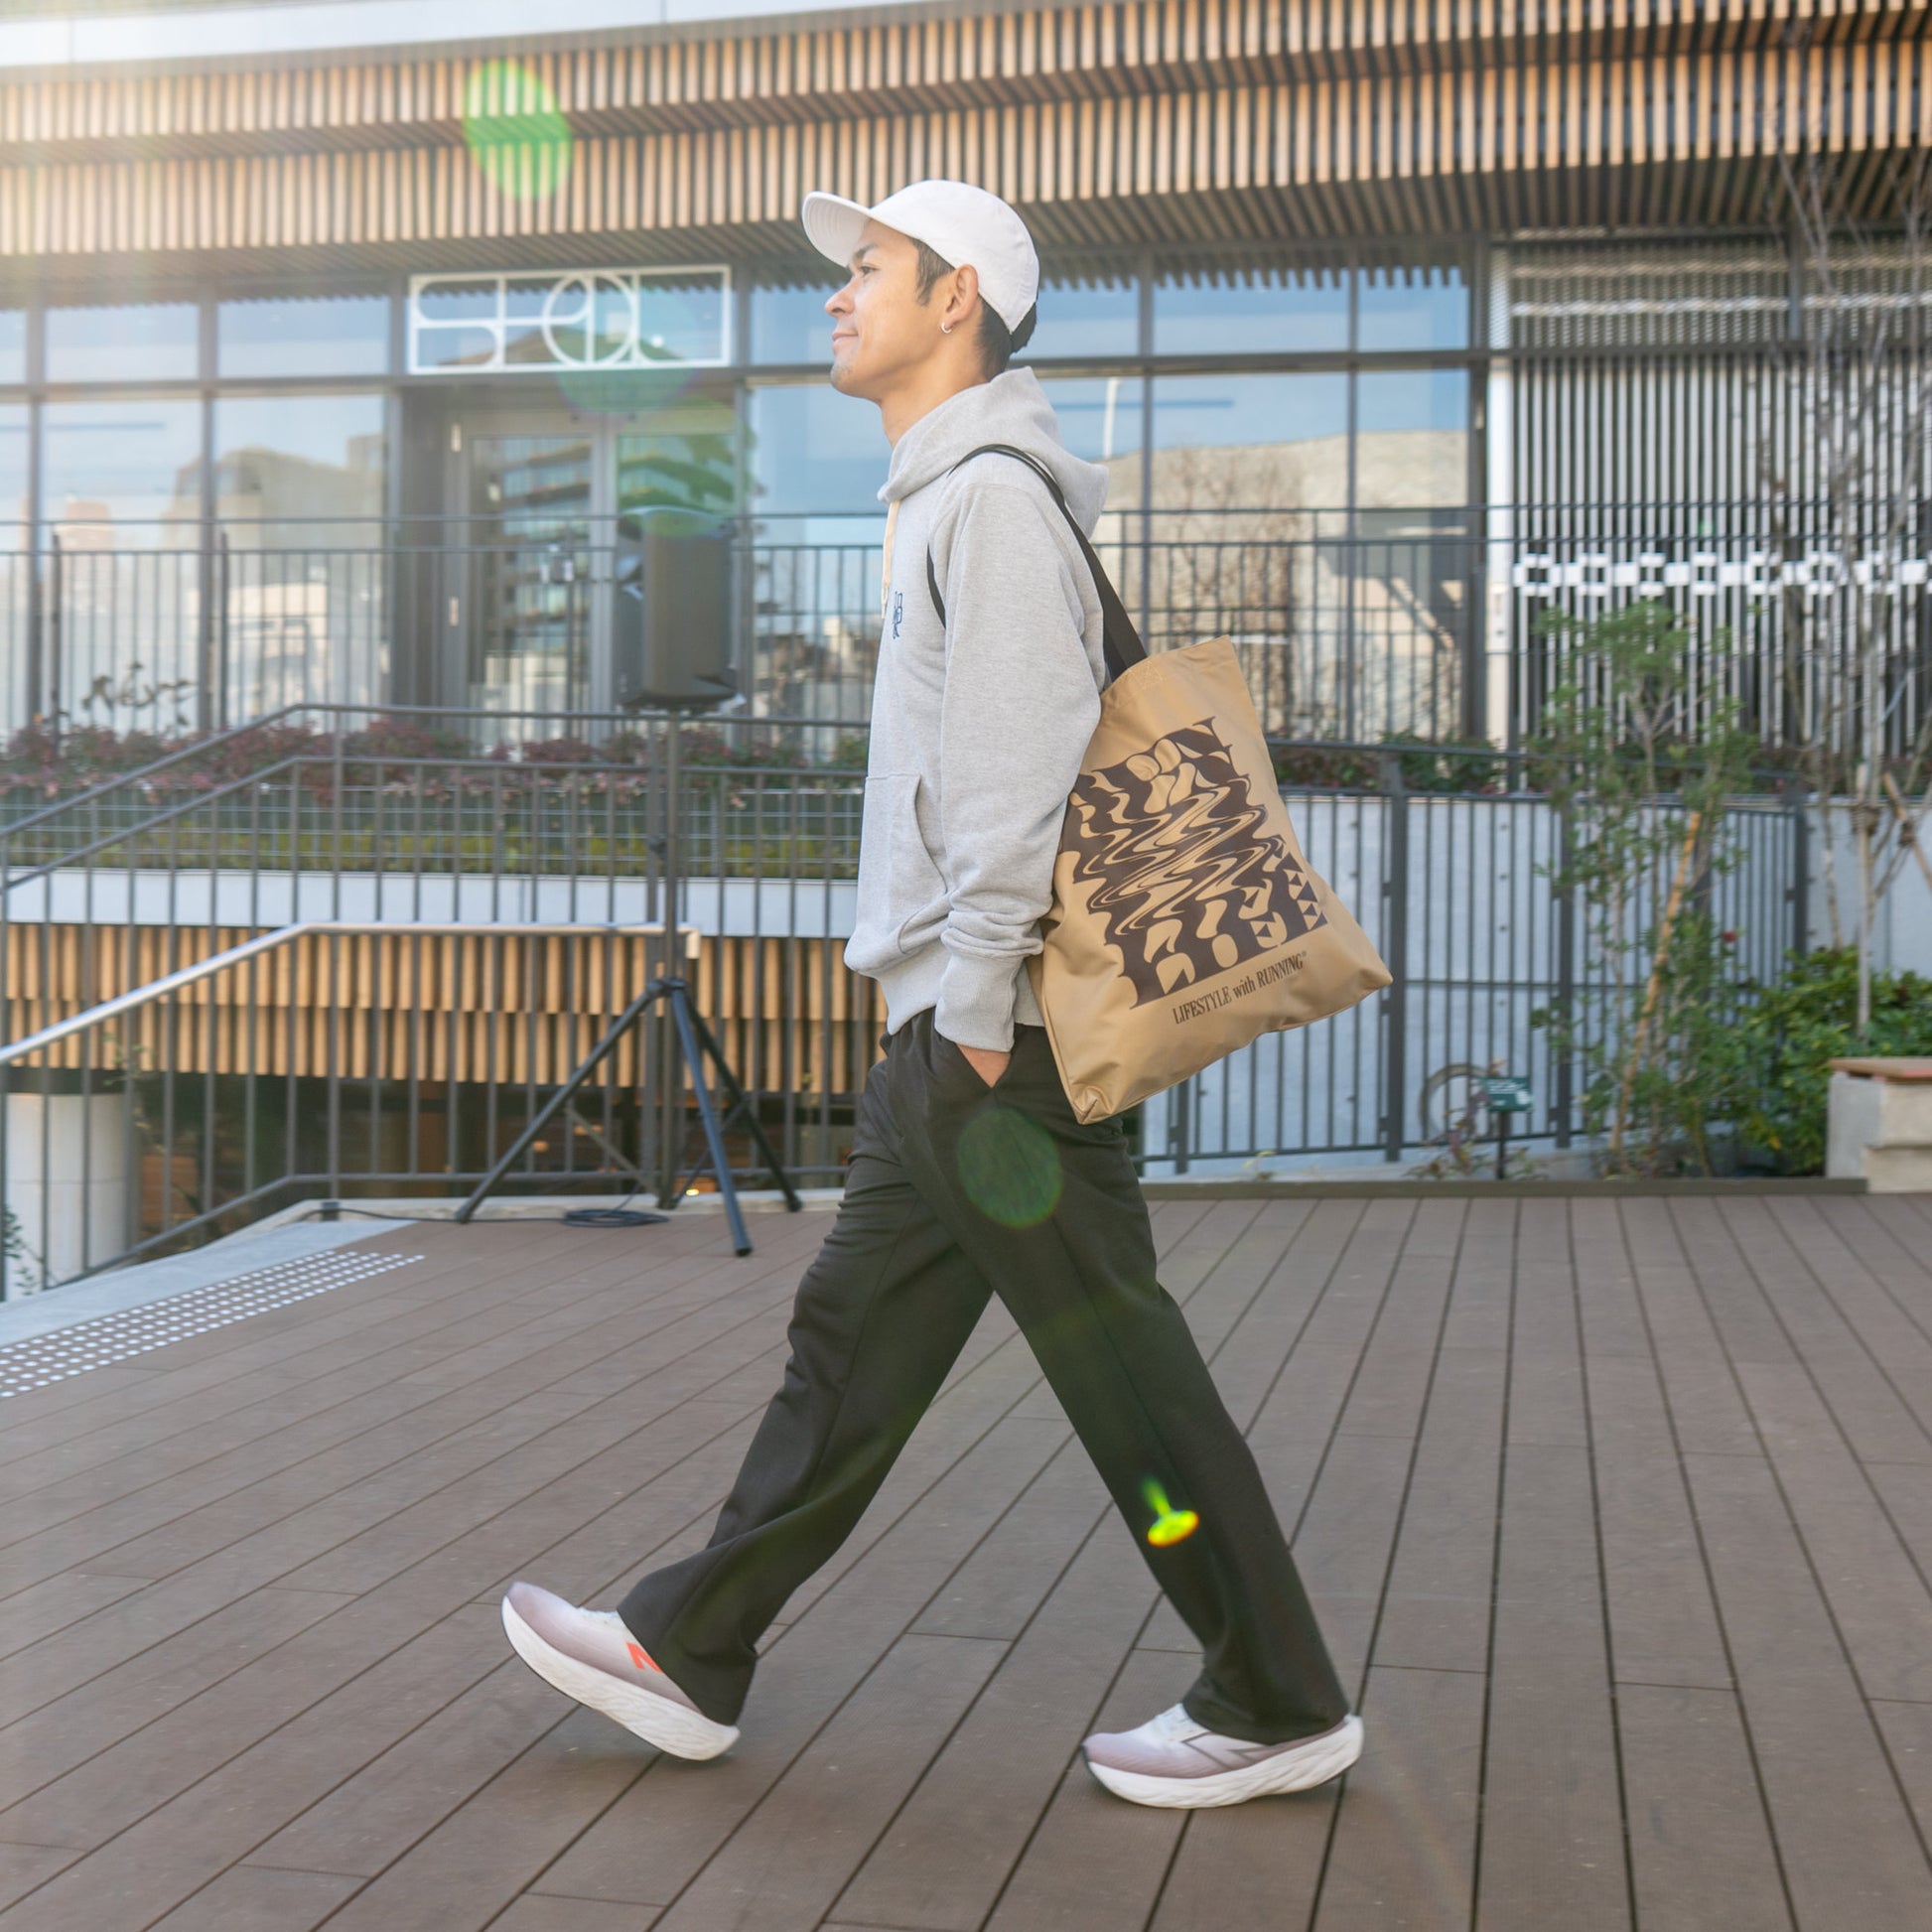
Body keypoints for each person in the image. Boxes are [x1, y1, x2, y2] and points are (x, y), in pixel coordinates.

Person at [501, 180, 1360, 1809]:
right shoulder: (947, 499)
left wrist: (967, 1007)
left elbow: (1014, 780)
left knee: (1124, 1379)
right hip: (955, 1037)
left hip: (994, 1041)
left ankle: (1275, 1692)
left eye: (869, 268)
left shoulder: (989, 504)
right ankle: (689, 1646)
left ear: (955, 297)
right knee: (850, 1348)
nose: (837, 296)